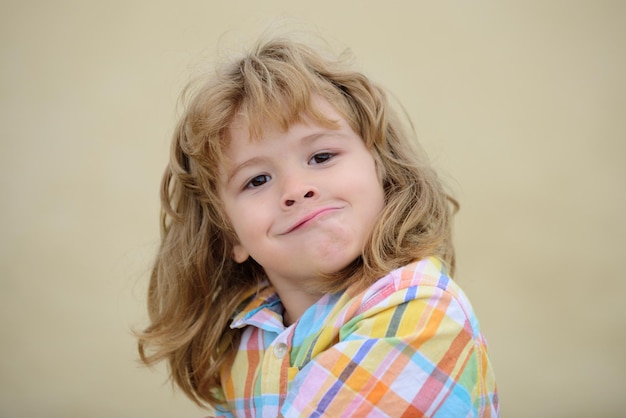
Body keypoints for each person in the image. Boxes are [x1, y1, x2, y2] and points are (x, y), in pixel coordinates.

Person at [137, 33, 499, 417]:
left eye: (322, 156)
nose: (296, 190)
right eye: (257, 180)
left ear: (383, 172)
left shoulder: (420, 310)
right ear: (228, 233)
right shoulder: (245, 338)